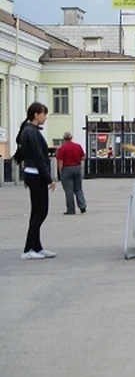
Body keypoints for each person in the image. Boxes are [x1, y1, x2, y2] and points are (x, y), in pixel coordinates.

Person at [13, 102, 57, 259]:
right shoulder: (31, 132)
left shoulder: (29, 130)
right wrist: (48, 178)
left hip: (33, 174)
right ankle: (27, 250)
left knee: (36, 212)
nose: (45, 117)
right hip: (36, 174)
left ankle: (36, 247)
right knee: (41, 212)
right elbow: (39, 157)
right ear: (36, 114)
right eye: (44, 114)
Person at [56, 131, 87, 215]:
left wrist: (60, 172)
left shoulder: (62, 148)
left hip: (67, 169)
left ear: (64, 138)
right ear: (71, 137)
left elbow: (60, 162)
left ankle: (71, 209)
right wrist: (77, 160)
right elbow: (83, 157)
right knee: (78, 188)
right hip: (77, 168)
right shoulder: (77, 146)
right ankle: (82, 206)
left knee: (69, 191)